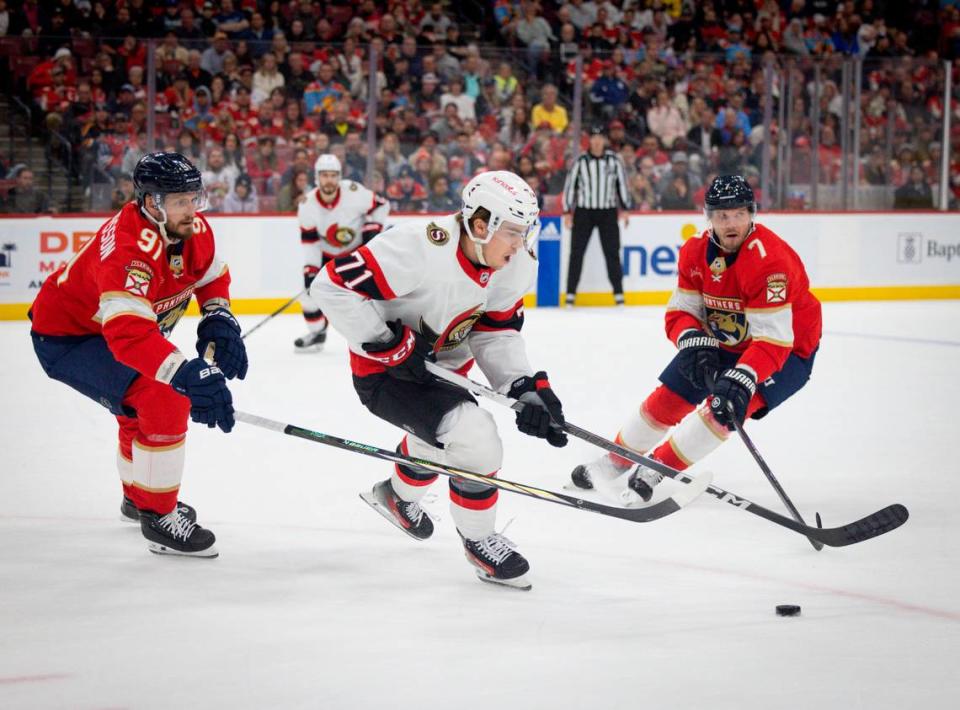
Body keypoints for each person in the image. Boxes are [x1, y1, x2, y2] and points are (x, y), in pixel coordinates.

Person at [312, 171, 567, 590]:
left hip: (443, 371)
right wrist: (387, 343)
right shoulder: (417, 248)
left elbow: (495, 330)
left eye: (525, 232)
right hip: (386, 372)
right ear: (480, 225)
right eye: (513, 233)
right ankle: (479, 540)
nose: (520, 244)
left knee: (439, 437)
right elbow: (331, 287)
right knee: (476, 438)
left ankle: (395, 496)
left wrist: (523, 388)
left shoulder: (515, 263)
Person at [28, 152, 245, 557]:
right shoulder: (129, 249)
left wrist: (218, 317)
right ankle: (158, 515)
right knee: (163, 395)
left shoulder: (191, 227)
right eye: (180, 200)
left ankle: (138, 497)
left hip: (105, 332)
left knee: (137, 407)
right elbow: (127, 334)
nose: (192, 209)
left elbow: (212, 274)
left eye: (194, 197)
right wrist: (185, 375)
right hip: (71, 338)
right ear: (150, 203)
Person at [569, 175, 822, 504]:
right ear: (709, 218)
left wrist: (743, 376)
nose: (731, 223)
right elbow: (680, 312)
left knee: (723, 408)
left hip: (785, 352)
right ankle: (616, 459)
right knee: (670, 396)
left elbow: (773, 340)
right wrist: (691, 340)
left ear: (752, 214)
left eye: (739, 214)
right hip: (726, 340)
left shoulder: (770, 262)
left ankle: (657, 467)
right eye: (722, 216)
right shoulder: (696, 252)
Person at [294, 154, 390, 353]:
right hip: (327, 258)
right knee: (308, 295)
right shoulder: (307, 205)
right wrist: (311, 271)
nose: (329, 180)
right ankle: (317, 333)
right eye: (325, 175)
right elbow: (310, 242)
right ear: (316, 178)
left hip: (356, 255)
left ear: (339, 176)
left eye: (333, 175)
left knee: (373, 294)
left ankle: (383, 335)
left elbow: (381, 205)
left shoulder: (353, 191)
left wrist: (372, 228)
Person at [561, 125, 632, 306]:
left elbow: (621, 184)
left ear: (605, 140)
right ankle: (570, 294)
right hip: (584, 212)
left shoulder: (614, 161)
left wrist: (625, 207)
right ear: (590, 140)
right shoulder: (581, 161)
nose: (597, 141)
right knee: (576, 252)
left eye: (601, 137)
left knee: (612, 252)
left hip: (607, 212)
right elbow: (571, 186)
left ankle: (618, 293)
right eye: (594, 137)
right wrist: (567, 211)